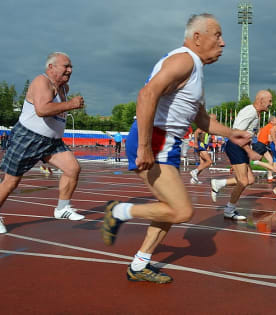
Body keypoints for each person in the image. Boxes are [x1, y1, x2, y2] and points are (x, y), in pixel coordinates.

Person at [100, 13, 251, 283]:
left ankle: (139, 265)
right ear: (197, 38)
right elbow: (147, 94)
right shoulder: (184, 60)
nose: (223, 43)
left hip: (166, 144)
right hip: (154, 141)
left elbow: (201, 119)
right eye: (217, 35)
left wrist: (233, 134)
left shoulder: (194, 70)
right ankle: (118, 211)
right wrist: (145, 146)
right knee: (181, 211)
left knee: (168, 209)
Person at [0, 52, 85, 234]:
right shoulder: (41, 81)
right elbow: (42, 109)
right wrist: (71, 105)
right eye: (66, 66)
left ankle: (62, 208)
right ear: (51, 67)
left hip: (51, 141)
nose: (70, 70)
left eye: (71, 67)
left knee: (73, 169)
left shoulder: (64, 88)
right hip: (28, 138)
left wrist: (68, 103)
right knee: (11, 182)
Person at [210, 90, 272, 219]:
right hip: (236, 146)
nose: (271, 104)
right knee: (243, 181)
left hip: (242, 147)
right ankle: (229, 210)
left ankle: (219, 183)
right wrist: (250, 153)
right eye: (269, 101)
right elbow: (236, 133)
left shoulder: (256, 114)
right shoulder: (249, 112)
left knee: (250, 180)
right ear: (261, 100)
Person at [190, 113, 217, 184]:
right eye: (215, 119)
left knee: (202, 164)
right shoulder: (205, 125)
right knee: (209, 162)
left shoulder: (210, 127)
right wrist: (195, 143)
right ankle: (194, 171)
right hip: (200, 145)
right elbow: (196, 132)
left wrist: (208, 144)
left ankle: (194, 179)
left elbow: (207, 137)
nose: (216, 120)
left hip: (203, 145)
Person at [251, 116, 276, 182]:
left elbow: (259, 135)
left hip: (262, 145)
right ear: (271, 121)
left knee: (271, 161)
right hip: (260, 145)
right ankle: (255, 162)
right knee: (253, 160)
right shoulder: (270, 127)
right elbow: (269, 139)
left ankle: (270, 177)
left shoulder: (266, 126)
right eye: (275, 121)